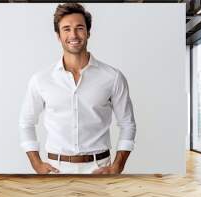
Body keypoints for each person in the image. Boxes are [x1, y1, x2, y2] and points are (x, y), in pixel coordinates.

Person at [19, 3, 136, 174]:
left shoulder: (113, 77)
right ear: (58, 35)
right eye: (66, 29)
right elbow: (26, 123)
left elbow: (128, 124)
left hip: (99, 167)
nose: (73, 34)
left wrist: (117, 166)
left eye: (79, 28)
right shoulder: (41, 79)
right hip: (56, 169)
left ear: (88, 32)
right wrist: (37, 164)